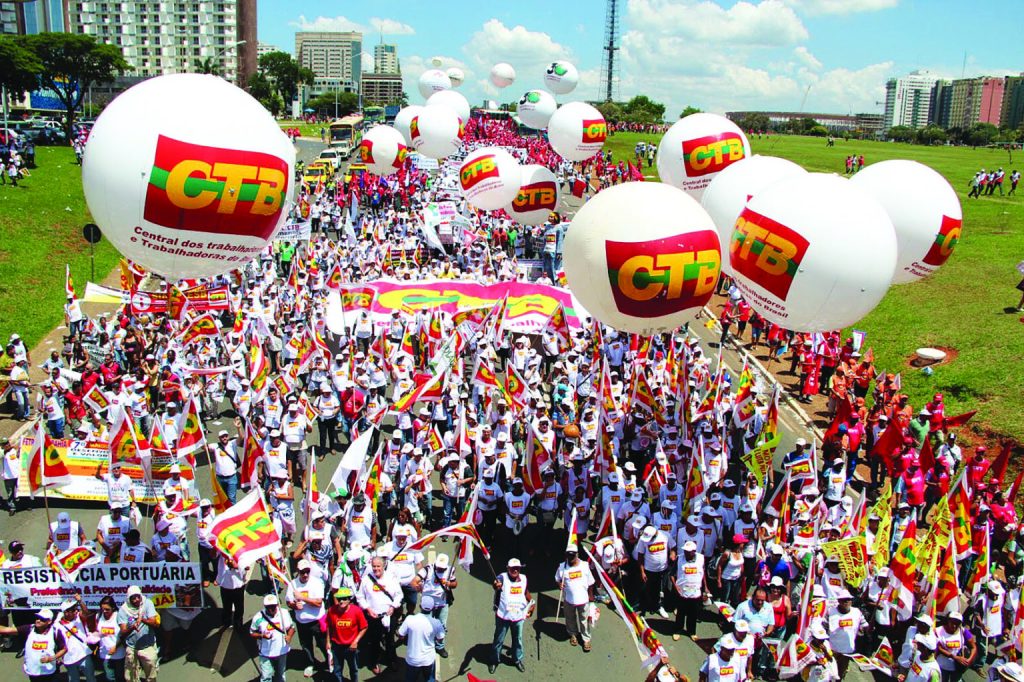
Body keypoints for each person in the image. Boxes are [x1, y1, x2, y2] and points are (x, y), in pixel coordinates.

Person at [355, 556, 402, 675]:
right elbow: (360, 597)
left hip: (388, 616)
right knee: (374, 641)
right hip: (373, 617)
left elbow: (399, 595)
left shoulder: (391, 578)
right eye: (374, 566)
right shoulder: (366, 579)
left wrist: (393, 607)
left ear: (383, 566)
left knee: (390, 640)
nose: (376, 569)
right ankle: (373, 662)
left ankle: (392, 660)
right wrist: (368, 609)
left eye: (378, 566)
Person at [490, 557, 534, 674]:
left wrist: (532, 603)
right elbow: (496, 584)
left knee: (517, 640)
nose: (515, 570)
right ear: (508, 568)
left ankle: (517, 659)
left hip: (518, 617)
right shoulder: (502, 577)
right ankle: (494, 660)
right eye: (512, 568)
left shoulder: (524, 579)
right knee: (499, 640)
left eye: (517, 568)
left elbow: (526, 592)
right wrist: (496, 585)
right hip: (503, 617)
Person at [0, 608, 68, 681]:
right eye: (38, 618)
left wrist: (51, 658)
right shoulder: (28, 628)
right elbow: (6, 630)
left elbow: (64, 649)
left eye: (42, 619)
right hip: (33, 671)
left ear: (49, 621)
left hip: (49, 671)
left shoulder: (55, 632)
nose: (38, 620)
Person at [287, 559, 328, 677]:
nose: (305, 574)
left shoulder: (317, 582)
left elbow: (319, 603)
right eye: (302, 572)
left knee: (323, 643)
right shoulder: (293, 584)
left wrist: (302, 598)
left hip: (317, 621)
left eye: (307, 571)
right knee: (306, 645)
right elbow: (289, 602)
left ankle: (330, 661)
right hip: (302, 622)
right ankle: (310, 663)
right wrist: (294, 605)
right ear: (298, 571)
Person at [555, 543, 596, 651]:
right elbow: (557, 579)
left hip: (583, 600)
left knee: (584, 620)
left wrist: (591, 595)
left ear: (577, 554)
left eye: (573, 555)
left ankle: (586, 639)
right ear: (566, 555)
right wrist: (559, 584)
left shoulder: (585, 565)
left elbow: (591, 582)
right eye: (569, 555)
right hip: (569, 600)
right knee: (570, 618)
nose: (571, 557)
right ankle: (573, 633)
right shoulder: (562, 567)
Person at [117, 586, 160, 682]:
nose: (136, 600)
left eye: (138, 597)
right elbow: (123, 631)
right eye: (133, 598)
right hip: (132, 646)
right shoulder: (123, 610)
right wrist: (132, 627)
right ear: (129, 599)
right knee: (131, 675)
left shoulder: (147, 603)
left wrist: (142, 619)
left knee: (151, 673)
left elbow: (154, 623)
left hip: (148, 645)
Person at [250, 595, 295, 682]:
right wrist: (262, 636)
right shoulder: (258, 617)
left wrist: (289, 636)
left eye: (273, 607)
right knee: (266, 676)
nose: (271, 609)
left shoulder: (284, 613)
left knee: (281, 674)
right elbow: (252, 633)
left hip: (282, 651)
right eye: (268, 607)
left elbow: (291, 628)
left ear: (277, 605)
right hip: (265, 652)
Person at [326, 587, 367, 682]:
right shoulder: (331, 611)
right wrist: (328, 642)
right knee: (337, 670)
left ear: (349, 599)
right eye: (339, 599)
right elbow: (329, 626)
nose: (342, 601)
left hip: (351, 647)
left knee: (354, 669)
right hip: (336, 646)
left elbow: (364, 627)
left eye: (344, 598)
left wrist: (355, 641)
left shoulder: (356, 611)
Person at [397, 604, 444, 682]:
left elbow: (401, 635)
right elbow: (440, 639)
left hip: (413, 659)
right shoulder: (436, 623)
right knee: (430, 679)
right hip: (428, 659)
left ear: (420, 607)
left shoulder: (409, 619)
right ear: (432, 609)